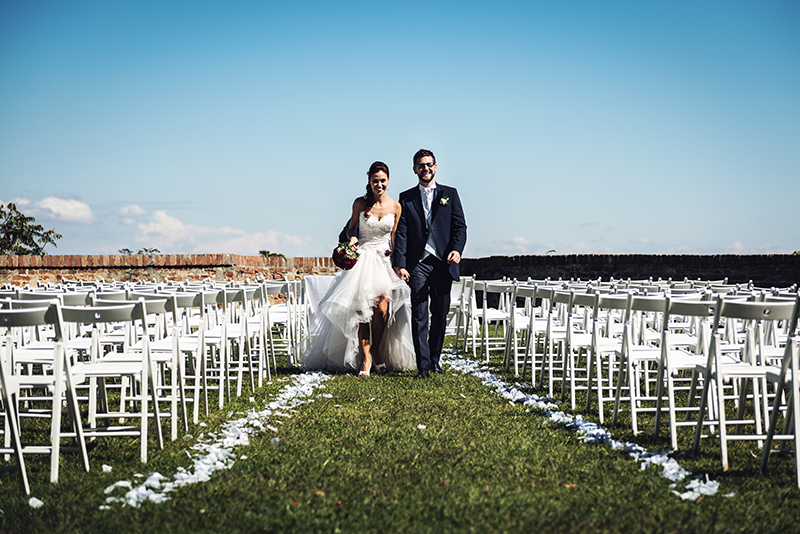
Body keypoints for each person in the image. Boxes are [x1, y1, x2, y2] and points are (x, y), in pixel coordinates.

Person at [301, 161, 417, 375]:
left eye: (382, 180)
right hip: (363, 260)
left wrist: (398, 264)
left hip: (384, 261)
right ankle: (366, 358)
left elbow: (395, 239)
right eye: (375, 181)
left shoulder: (396, 206)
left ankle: (377, 349)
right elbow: (352, 228)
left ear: (388, 182)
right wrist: (353, 240)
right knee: (362, 310)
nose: (379, 184)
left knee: (382, 308)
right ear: (369, 182)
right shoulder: (359, 203)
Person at [393, 149, 467, 378]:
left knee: (440, 312)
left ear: (436, 167)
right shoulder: (406, 198)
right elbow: (402, 233)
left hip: (443, 262)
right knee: (419, 314)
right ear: (415, 169)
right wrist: (400, 263)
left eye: (429, 164)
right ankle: (422, 367)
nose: (426, 168)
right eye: (421, 165)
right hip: (418, 264)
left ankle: (435, 360)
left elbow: (460, 228)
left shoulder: (450, 194)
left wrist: (456, 250)